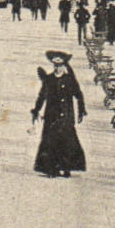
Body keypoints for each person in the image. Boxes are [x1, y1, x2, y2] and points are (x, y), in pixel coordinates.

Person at [31, 50, 87, 178]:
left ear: (64, 66)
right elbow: (42, 96)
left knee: (67, 142)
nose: (57, 68)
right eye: (55, 65)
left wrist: (81, 110)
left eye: (60, 65)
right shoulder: (49, 79)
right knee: (50, 142)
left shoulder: (69, 79)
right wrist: (36, 109)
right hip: (51, 116)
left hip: (67, 116)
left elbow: (78, 95)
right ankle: (52, 169)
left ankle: (67, 168)